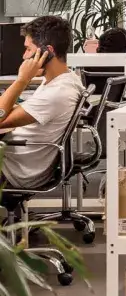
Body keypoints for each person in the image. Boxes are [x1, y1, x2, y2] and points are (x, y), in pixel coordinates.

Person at [0, 16, 86, 189]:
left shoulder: (57, 93)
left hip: (15, 170)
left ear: (48, 51)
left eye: (28, 49)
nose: (24, 56)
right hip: (18, 160)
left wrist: (22, 79)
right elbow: (14, 111)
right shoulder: (65, 80)